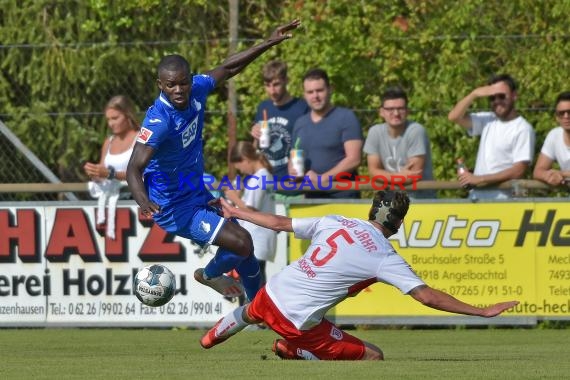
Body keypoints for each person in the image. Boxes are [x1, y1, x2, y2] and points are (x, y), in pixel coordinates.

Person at [199, 190, 519, 360]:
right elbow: (426, 296)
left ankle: (208, 340)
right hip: (297, 322)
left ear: (371, 210)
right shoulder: (383, 254)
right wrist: (480, 311)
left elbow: (281, 224)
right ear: (399, 223)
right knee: (373, 356)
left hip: (271, 293)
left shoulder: (336, 220)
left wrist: (237, 212)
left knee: (250, 311)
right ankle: (297, 350)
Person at [126, 19, 301, 301]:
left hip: (195, 191)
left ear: (190, 78)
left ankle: (257, 308)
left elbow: (229, 67)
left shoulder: (197, 89)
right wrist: (143, 201)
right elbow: (133, 168)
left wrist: (268, 42)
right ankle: (208, 275)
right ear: (161, 85)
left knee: (244, 250)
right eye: (171, 85)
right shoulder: (159, 120)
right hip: (174, 206)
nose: (179, 89)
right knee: (243, 241)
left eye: (183, 82)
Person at [448, 74, 535, 200]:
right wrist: (474, 94)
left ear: (515, 95)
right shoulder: (488, 119)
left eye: (501, 96)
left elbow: (518, 170)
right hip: (477, 198)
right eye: (492, 98)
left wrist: (480, 179)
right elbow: (454, 117)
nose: (497, 101)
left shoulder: (523, 128)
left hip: (503, 202)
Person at [290, 68, 363, 199]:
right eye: (310, 92)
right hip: (311, 199)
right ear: (304, 94)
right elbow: (294, 155)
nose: (315, 96)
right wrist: (293, 170)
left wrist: (323, 179)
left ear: (330, 89)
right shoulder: (300, 123)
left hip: (343, 198)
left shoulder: (346, 117)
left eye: (319, 90)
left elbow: (354, 159)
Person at [250, 60, 309, 198]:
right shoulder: (263, 107)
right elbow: (256, 147)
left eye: (276, 84)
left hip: (293, 187)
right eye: (267, 85)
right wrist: (255, 134)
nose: (272, 90)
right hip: (265, 185)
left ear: (286, 80)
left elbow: (310, 144)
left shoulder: (302, 107)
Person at [83, 95, 140, 239]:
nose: (111, 123)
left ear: (128, 115)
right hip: (111, 203)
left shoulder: (141, 139)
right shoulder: (108, 142)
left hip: (136, 202)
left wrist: (109, 174)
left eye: (115, 118)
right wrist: (95, 173)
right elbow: (103, 174)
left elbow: (141, 174)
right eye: (108, 119)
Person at [363, 86, 435, 198]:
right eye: (390, 109)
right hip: (389, 202)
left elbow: (413, 175)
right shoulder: (374, 132)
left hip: (419, 201)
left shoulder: (416, 130)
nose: (396, 113)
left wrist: (386, 176)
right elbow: (373, 171)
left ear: (407, 111)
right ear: (381, 112)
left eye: (400, 108)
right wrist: (399, 177)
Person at [225, 141, 277, 288]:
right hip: (260, 239)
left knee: (253, 287)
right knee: (256, 284)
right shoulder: (265, 175)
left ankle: (254, 311)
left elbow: (251, 211)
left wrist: (234, 198)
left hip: (256, 239)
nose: (241, 171)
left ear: (246, 159)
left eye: (239, 166)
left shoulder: (259, 178)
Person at [533, 91, 570, 186]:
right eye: (561, 113)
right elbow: (537, 171)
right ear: (557, 117)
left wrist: (561, 174)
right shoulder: (554, 135)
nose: (566, 116)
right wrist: (548, 176)